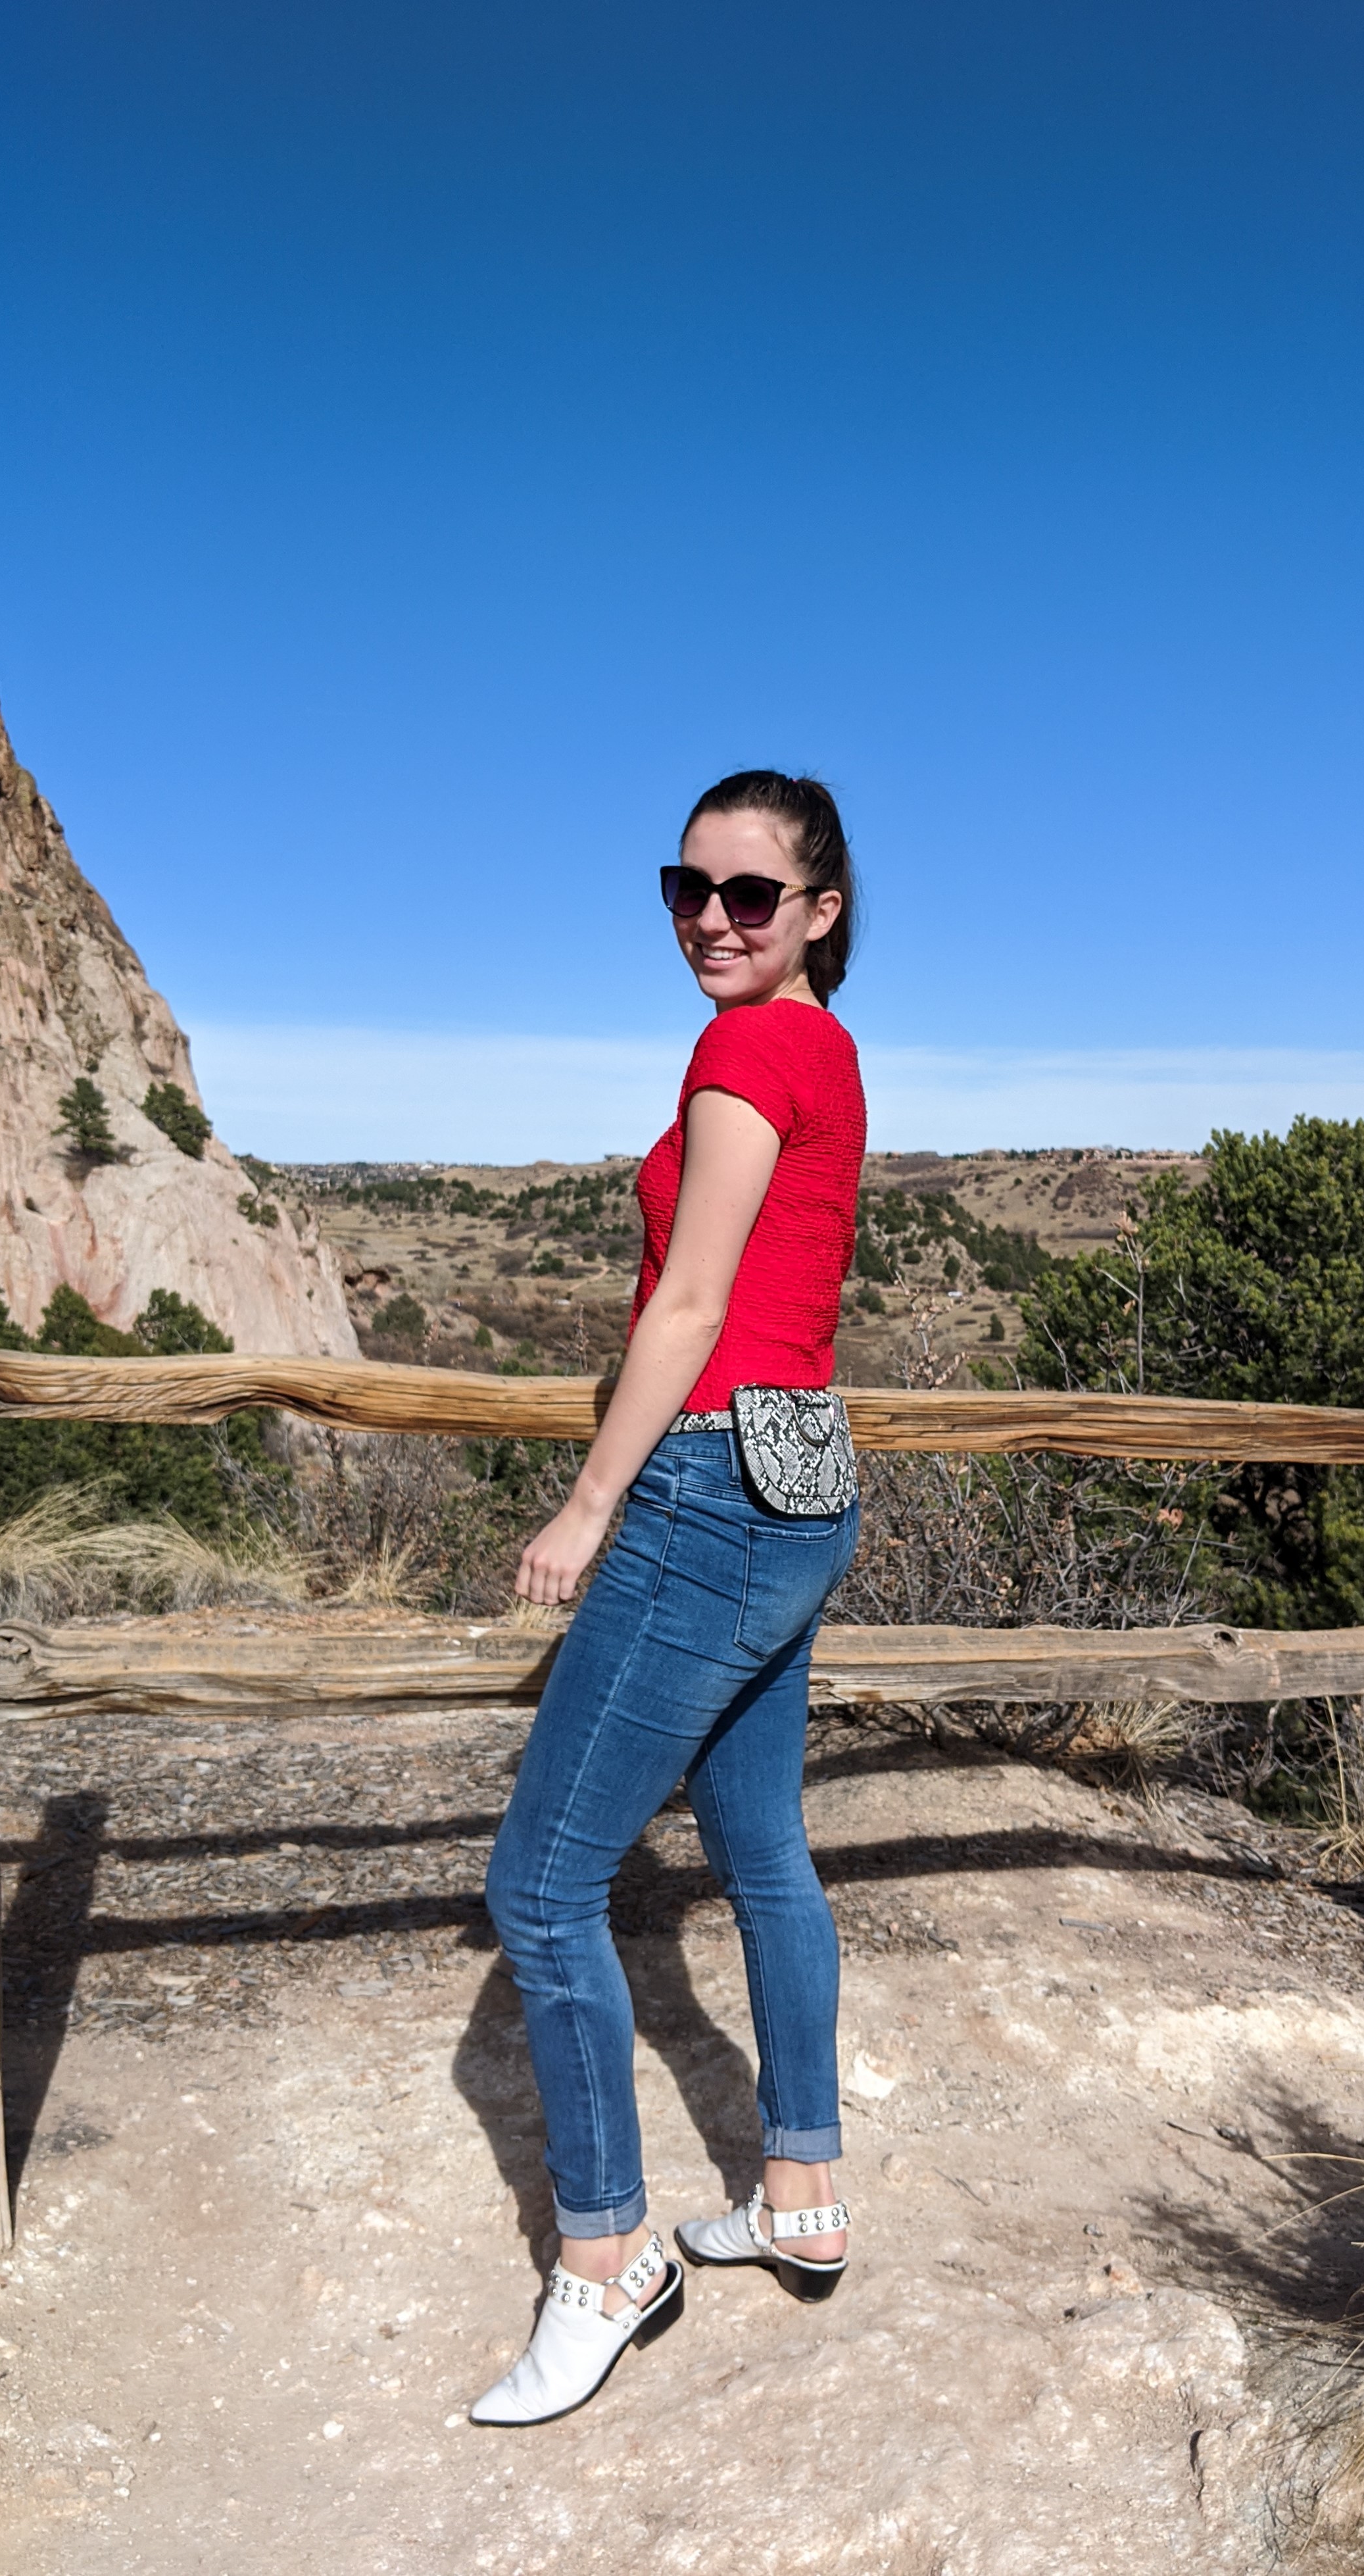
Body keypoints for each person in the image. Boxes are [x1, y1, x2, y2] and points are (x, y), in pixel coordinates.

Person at [470, 770, 868, 2427]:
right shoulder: (832, 1054)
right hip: (807, 1482)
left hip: (708, 1481)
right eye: (685, 887)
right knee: (764, 1848)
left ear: (818, 913)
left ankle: (607, 2252)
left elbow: (692, 1295)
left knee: (541, 1884)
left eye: (750, 894)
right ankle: (799, 2189)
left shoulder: (746, 1046)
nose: (712, 916)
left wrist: (585, 1501)